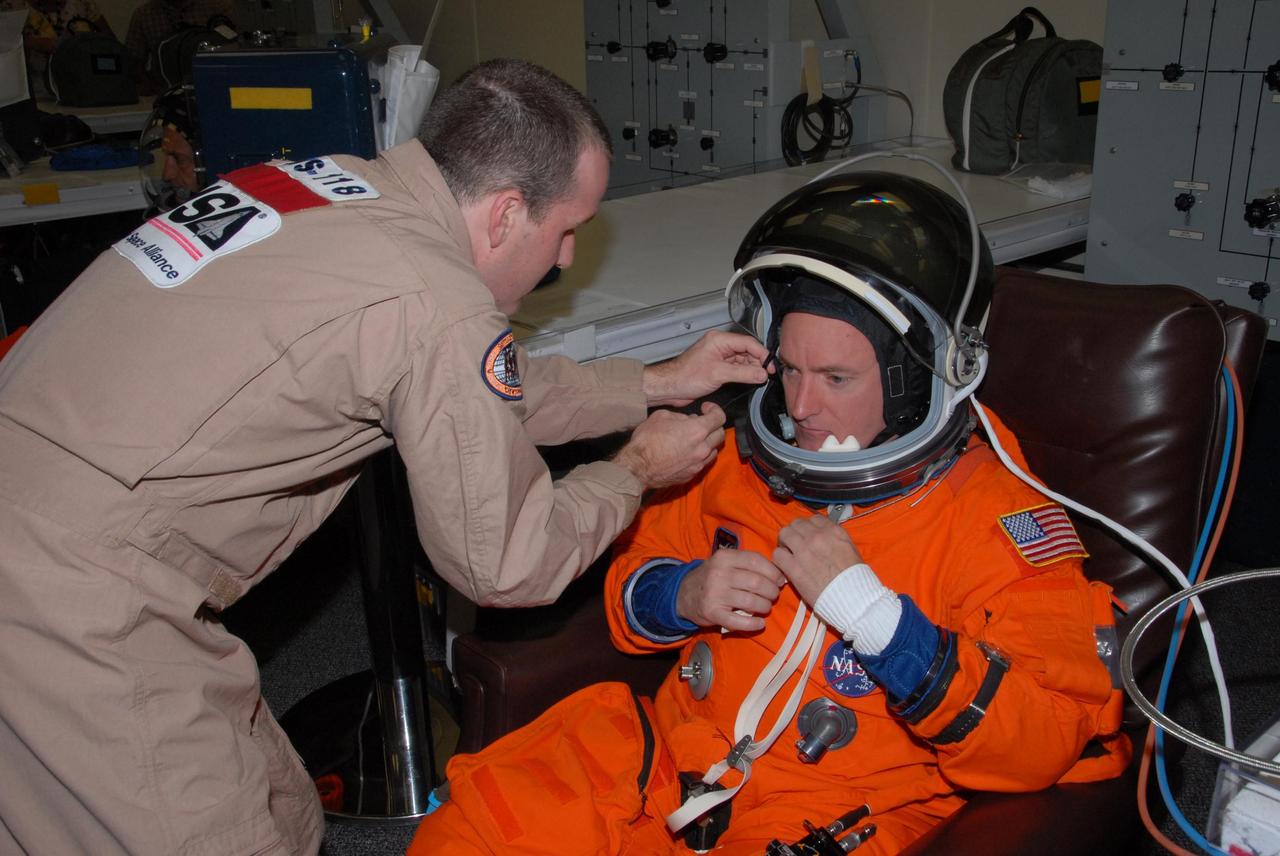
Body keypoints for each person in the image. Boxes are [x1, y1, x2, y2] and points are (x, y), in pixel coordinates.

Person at [0, 59, 769, 855]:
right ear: (507, 213)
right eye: (567, 228)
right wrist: (635, 468)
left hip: (38, 510)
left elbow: (473, 385)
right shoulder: (434, 306)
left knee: (280, 809)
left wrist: (657, 380)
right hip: (76, 596)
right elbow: (506, 565)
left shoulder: (331, 183)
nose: (568, 259)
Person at [412, 171, 1132, 855]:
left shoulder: (999, 519)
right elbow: (629, 600)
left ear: (919, 380)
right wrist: (682, 595)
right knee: (472, 830)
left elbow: (1048, 737)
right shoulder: (737, 458)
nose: (801, 406)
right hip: (665, 761)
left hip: (837, 806)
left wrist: (880, 622)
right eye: (789, 368)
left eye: (837, 378)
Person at [0, 0, 117, 98]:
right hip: (36, 100)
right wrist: (28, 43)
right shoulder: (11, 7)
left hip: (89, 96)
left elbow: (113, 48)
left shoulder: (83, 5)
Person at [123, 0, 231, 93]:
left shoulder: (217, 7)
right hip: (166, 93)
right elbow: (132, 61)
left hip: (214, 85)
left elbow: (236, 47)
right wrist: (147, 85)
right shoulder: (143, 14)